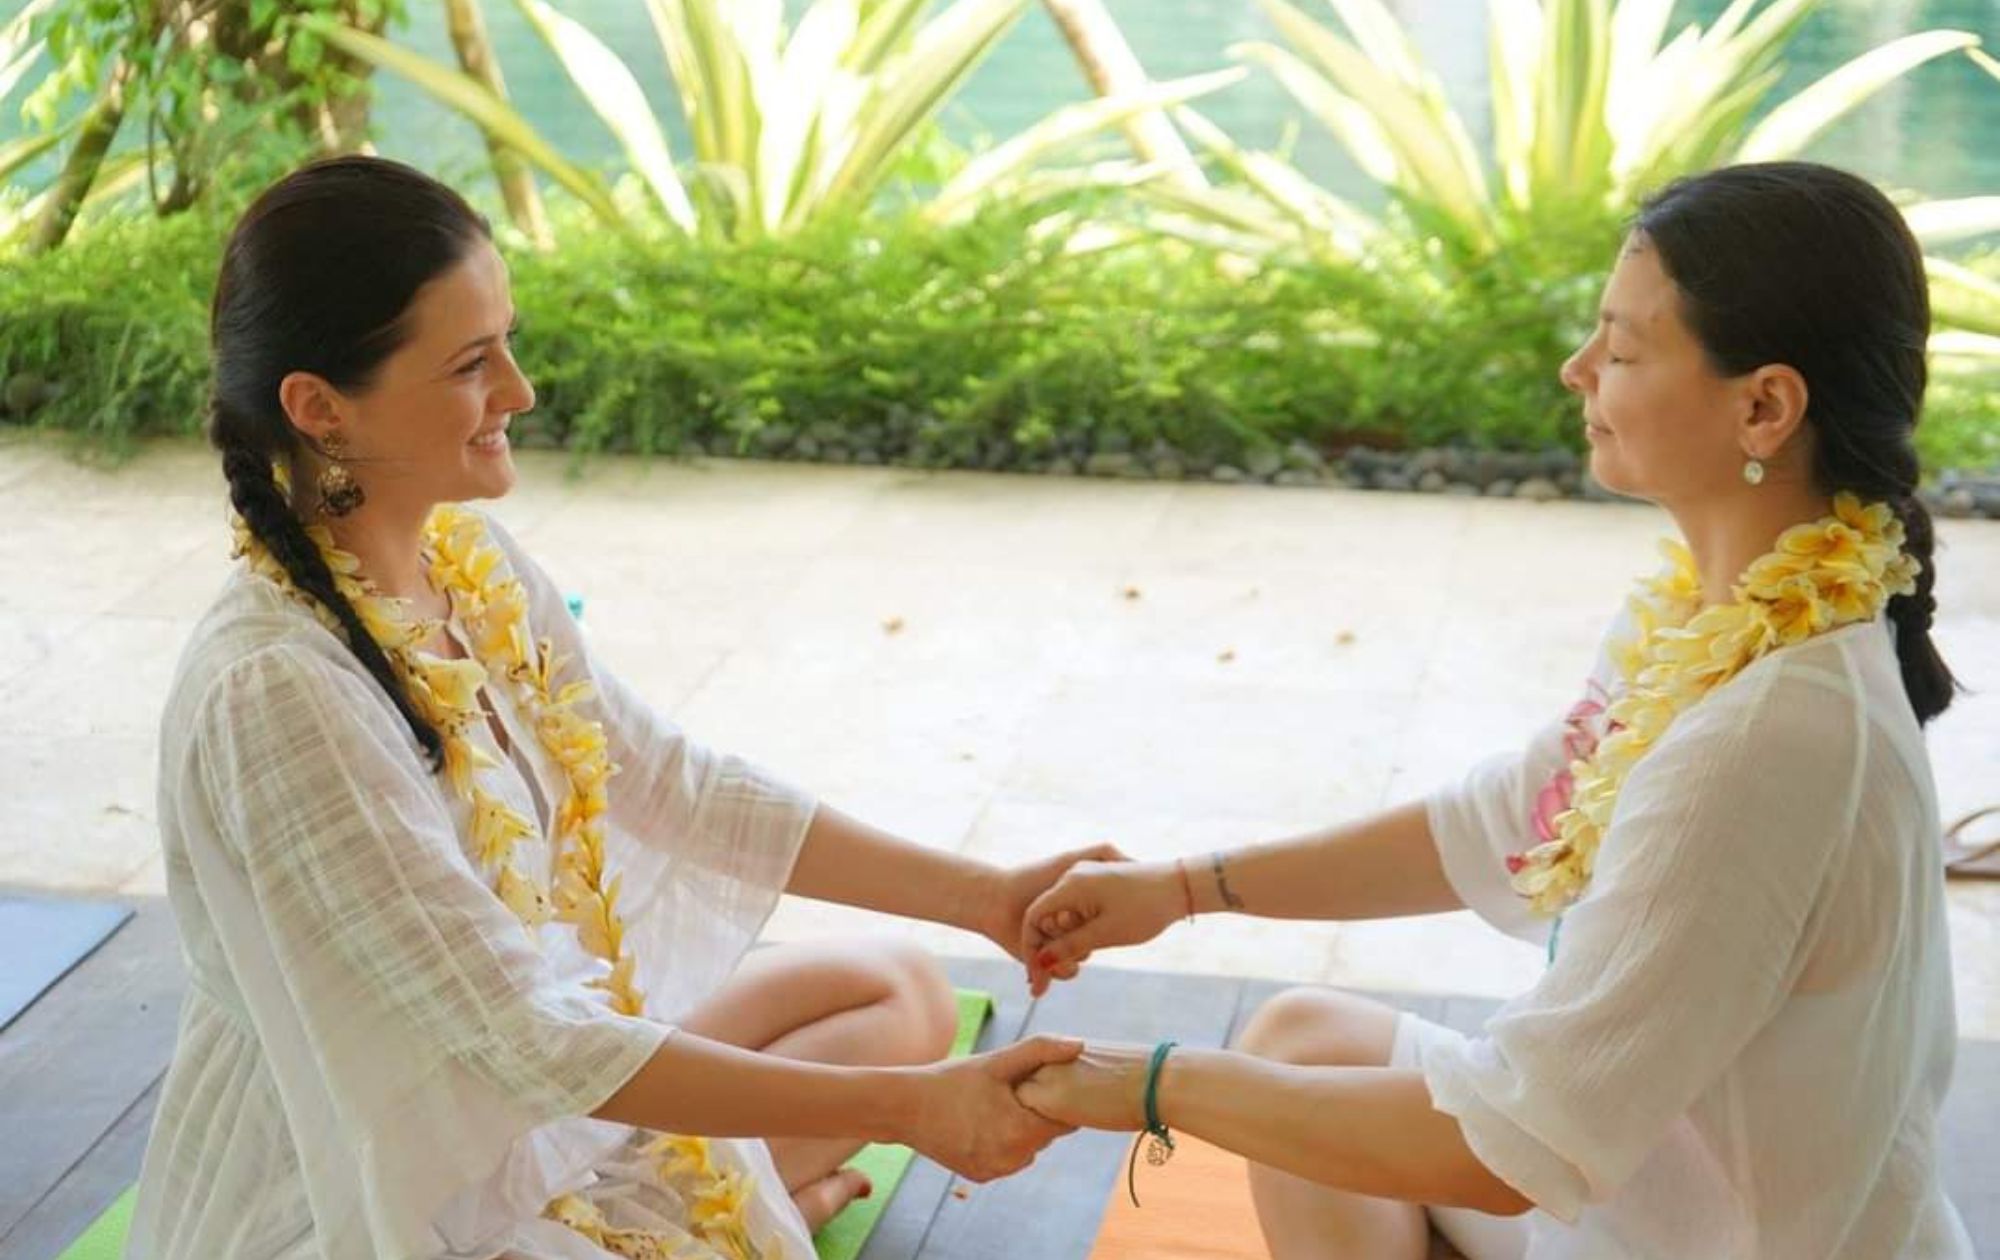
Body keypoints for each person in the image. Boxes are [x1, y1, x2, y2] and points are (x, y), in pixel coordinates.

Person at [129, 156, 1102, 1260]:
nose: (520, 391)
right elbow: (518, 1034)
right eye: (471, 364)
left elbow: (669, 784)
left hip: (552, 1098)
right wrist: (910, 1110)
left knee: (900, 995)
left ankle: (727, 1210)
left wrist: (989, 898)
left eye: (506, 341)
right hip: (378, 1187)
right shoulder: (275, 689)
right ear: (320, 408)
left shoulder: (467, 560)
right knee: (864, 1087)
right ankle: (743, 1214)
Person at [1013, 161, 1972, 1259]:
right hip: (1645, 1193)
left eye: (1620, 351)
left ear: (1763, 407)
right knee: (1301, 1037)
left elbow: (1512, 1146)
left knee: (1284, 1092)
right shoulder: (1713, 616)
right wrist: (1182, 889)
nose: (1577, 370)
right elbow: (1512, 818)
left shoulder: (1766, 740)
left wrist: (1146, 1084)